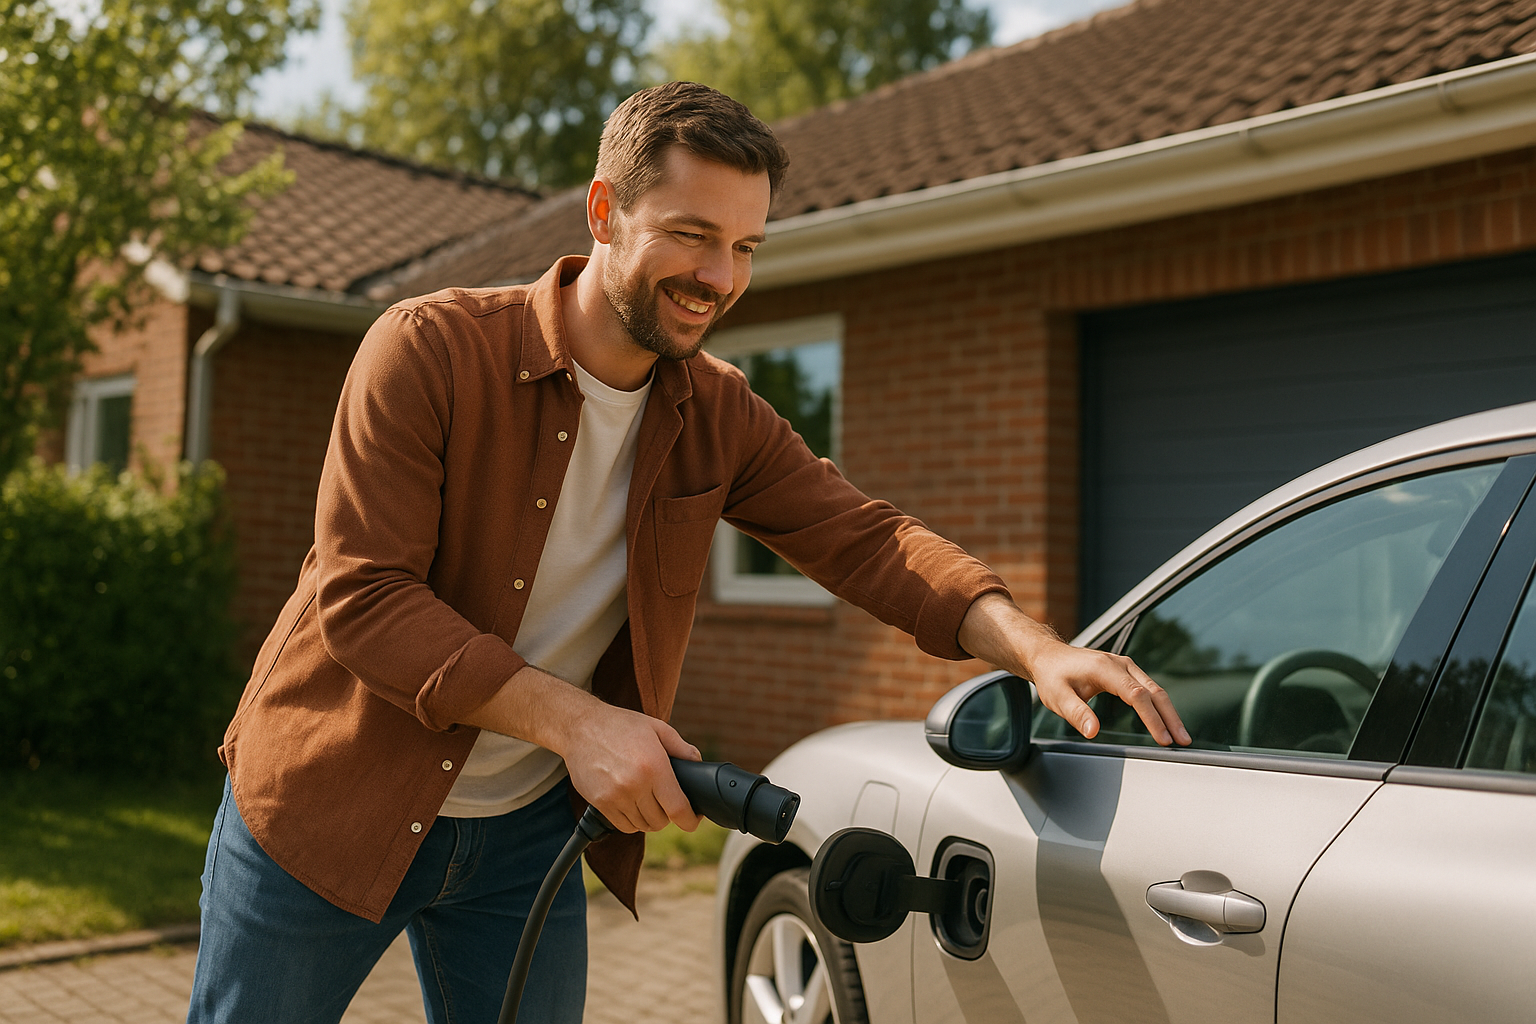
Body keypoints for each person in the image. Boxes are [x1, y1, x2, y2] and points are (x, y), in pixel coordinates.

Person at [185, 81, 1189, 1024]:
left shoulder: (720, 413)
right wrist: (580, 724)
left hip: (520, 838)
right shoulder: (429, 350)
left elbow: (866, 537)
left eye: (746, 247)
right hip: (328, 807)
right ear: (604, 210)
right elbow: (366, 600)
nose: (720, 278)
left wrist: (1031, 644)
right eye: (692, 236)